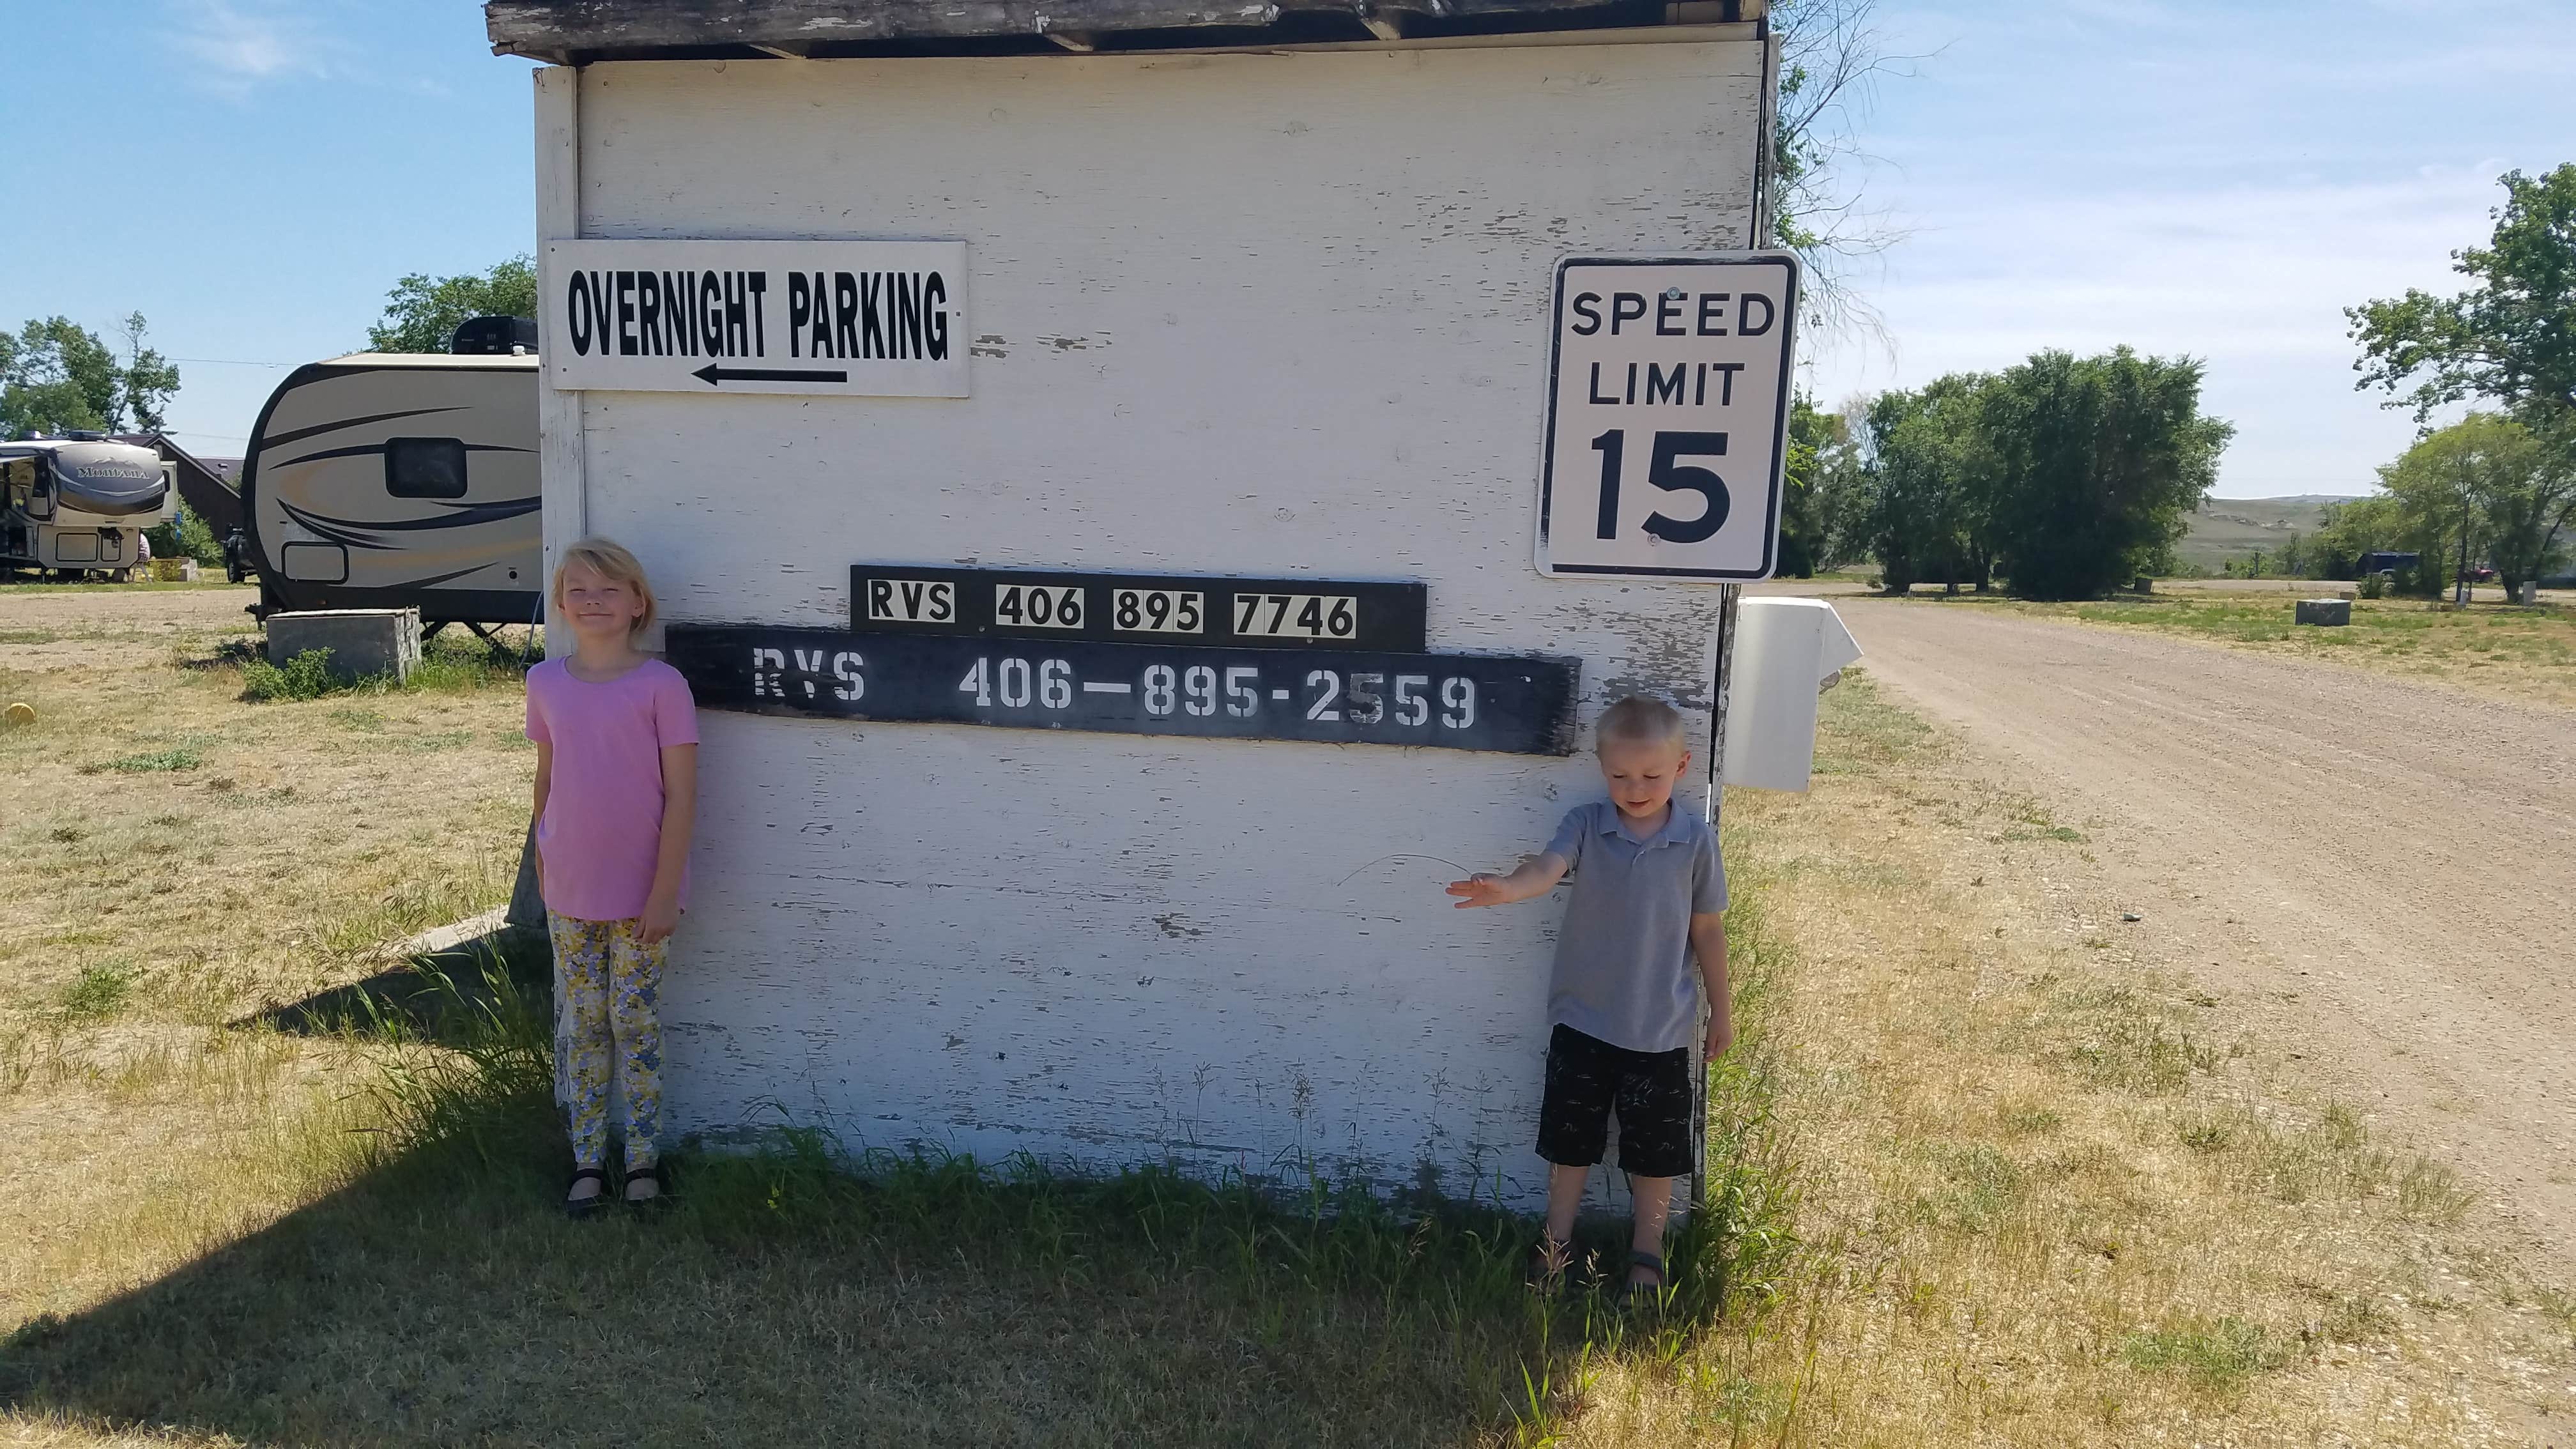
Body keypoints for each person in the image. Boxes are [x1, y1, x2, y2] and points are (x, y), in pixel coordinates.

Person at [1445, 694, 1729, 1298]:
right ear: (1602, 769)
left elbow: (1707, 929)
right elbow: (1546, 869)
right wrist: (1509, 888)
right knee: (1571, 1144)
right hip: (1583, 1023)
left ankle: (1646, 1257)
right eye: (1620, 775)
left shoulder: (1697, 841)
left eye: (1651, 775)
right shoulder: (1585, 825)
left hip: (1662, 1029)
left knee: (1654, 1154)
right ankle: (1555, 1246)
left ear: (1680, 768)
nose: (1635, 787)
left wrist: (1721, 1012)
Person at [527, 539, 700, 1216]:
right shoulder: (545, 683)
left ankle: (644, 1160)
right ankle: (587, 1160)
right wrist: (541, 856)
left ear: (637, 603)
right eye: (577, 590)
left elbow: (682, 796)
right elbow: (546, 778)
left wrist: (665, 889)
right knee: (585, 1024)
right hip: (569, 885)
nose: (592, 602)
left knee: (634, 1019)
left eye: (607, 590)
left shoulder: (661, 686)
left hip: (641, 892)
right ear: (562, 605)